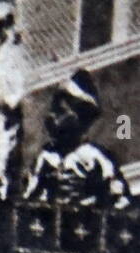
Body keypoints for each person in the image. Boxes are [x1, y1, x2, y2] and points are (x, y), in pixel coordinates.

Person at [24, 70, 130, 209]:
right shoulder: (46, 156)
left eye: (60, 111)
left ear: (80, 118)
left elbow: (120, 196)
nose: (53, 117)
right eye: (54, 110)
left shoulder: (95, 156)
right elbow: (30, 195)